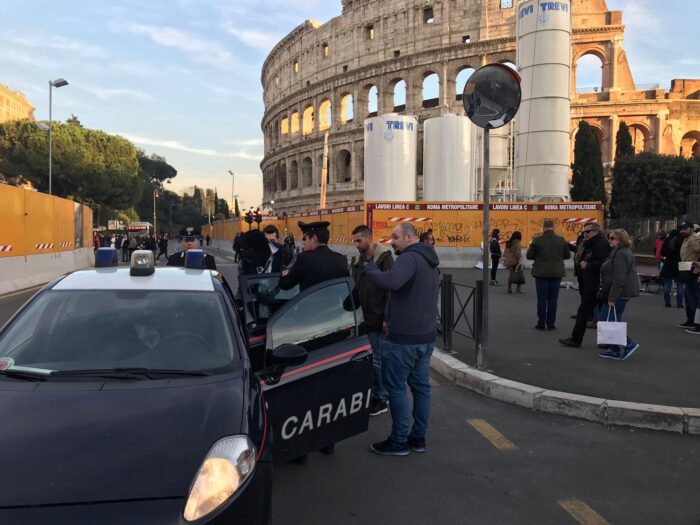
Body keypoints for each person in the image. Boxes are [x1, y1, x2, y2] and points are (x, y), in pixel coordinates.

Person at [364, 223, 440, 457]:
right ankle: (418, 438)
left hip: (404, 338)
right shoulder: (430, 260)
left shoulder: (409, 258)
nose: (392, 241)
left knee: (395, 388)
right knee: (421, 388)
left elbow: (393, 282)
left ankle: (398, 441)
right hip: (425, 336)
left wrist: (371, 270)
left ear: (409, 237)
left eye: (395, 237)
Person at [350, 225, 395, 417]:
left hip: (378, 318)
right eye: (355, 241)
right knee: (369, 360)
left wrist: (387, 317)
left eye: (359, 240)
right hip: (364, 318)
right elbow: (356, 290)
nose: (356, 244)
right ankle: (374, 393)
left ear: (369, 239)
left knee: (378, 361)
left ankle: (381, 398)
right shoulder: (359, 263)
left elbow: (392, 291)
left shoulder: (385, 259)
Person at [559, 223, 610, 348]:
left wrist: (588, 265)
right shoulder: (589, 244)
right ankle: (606, 341)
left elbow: (605, 264)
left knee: (585, 311)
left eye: (588, 232)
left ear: (597, 232)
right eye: (584, 232)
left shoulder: (601, 244)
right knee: (595, 312)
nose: (585, 234)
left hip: (596, 284)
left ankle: (577, 339)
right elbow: (579, 253)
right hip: (588, 282)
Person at [597, 229, 641, 360]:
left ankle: (628, 344)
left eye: (613, 238)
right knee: (613, 319)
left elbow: (619, 278)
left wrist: (612, 297)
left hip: (620, 292)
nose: (609, 240)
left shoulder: (621, 254)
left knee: (607, 319)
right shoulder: (620, 252)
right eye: (609, 238)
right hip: (622, 291)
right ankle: (615, 348)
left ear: (621, 240)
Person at [279, 221, 349, 292]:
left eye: (305, 239)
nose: (303, 243)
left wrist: (284, 272)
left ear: (314, 238)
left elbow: (286, 284)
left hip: (311, 303)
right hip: (335, 303)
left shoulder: (304, 258)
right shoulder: (341, 259)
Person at [526, 220, 571, 331]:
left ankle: (541, 323)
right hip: (557, 272)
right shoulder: (561, 240)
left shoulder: (537, 240)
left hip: (541, 273)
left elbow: (529, 255)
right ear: (553, 227)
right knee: (553, 299)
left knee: (542, 299)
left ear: (543, 227)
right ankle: (551, 324)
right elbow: (567, 255)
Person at [677, 221, 700, 333]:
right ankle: (690, 320)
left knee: (694, 297)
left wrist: (697, 264)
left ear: (691, 229)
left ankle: (696, 322)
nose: (682, 231)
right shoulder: (687, 239)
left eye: (685, 229)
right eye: (681, 229)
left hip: (692, 269)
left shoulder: (694, 238)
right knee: (689, 297)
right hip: (686, 268)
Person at [660, 229, 685, 309]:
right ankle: (679, 304)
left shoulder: (667, 240)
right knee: (680, 285)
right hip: (680, 264)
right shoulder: (682, 240)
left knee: (667, 285)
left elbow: (662, 253)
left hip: (669, 264)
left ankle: (667, 303)